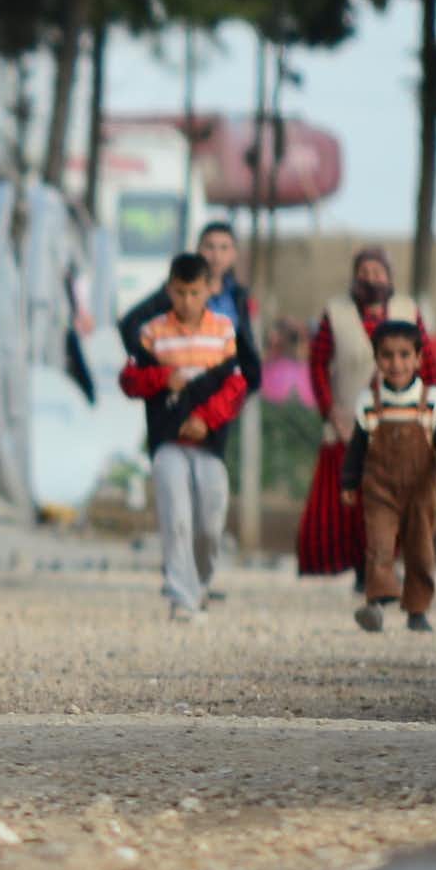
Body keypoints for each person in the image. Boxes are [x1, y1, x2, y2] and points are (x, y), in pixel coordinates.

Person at [296, 246, 436, 584]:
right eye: (364, 273)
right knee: (354, 500)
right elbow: (317, 364)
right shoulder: (336, 313)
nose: (371, 279)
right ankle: (366, 568)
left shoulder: (407, 310)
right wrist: (330, 411)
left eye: (378, 273)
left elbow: (428, 364)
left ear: (389, 277)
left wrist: (428, 410)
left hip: (400, 420)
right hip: (348, 422)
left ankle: (388, 564)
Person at [119, 253, 251, 623]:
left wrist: (206, 420)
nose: (187, 301)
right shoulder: (153, 333)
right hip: (167, 442)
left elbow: (235, 386)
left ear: (208, 290)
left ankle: (201, 582)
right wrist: (163, 378)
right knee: (175, 515)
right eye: (180, 293)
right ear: (169, 290)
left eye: (194, 293)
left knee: (210, 520)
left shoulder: (223, 331)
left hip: (209, 444)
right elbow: (129, 380)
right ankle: (181, 595)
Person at [340, 322, 436, 633]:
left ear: (418, 358)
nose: (396, 364)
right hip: (379, 490)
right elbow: (357, 447)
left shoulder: (432, 400)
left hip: (420, 492)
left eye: (405, 355)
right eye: (387, 355)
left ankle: (418, 609)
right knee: (378, 545)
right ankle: (378, 601)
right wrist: (349, 482)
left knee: (420, 549)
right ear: (377, 359)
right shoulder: (369, 402)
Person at [119, 221, 259, 387]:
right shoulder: (176, 291)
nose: (216, 256)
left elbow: (245, 344)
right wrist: (155, 371)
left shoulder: (238, 296)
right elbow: (129, 324)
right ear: (198, 249)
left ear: (234, 254)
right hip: (181, 389)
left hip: (223, 389)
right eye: (210, 247)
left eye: (224, 248)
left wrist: (248, 380)